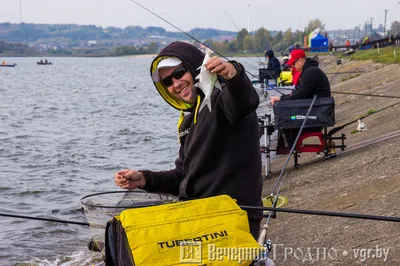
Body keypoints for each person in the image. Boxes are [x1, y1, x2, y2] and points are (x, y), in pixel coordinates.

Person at [114, 41, 263, 239]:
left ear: (195, 68)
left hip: (233, 216)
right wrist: (144, 178)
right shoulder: (187, 121)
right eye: (167, 81)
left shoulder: (222, 99)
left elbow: (246, 101)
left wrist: (233, 73)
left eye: (179, 73)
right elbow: (183, 176)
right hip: (197, 214)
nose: (175, 83)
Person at [269, 49, 331, 153]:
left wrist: (281, 99)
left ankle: (292, 147)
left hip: (317, 115)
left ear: (301, 60)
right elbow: (300, 93)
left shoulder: (310, 72)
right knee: (284, 114)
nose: (292, 66)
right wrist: (286, 97)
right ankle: (290, 146)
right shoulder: (308, 71)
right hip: (317, 110)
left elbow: (301, 94)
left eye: (293, 63)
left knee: (285, 120)